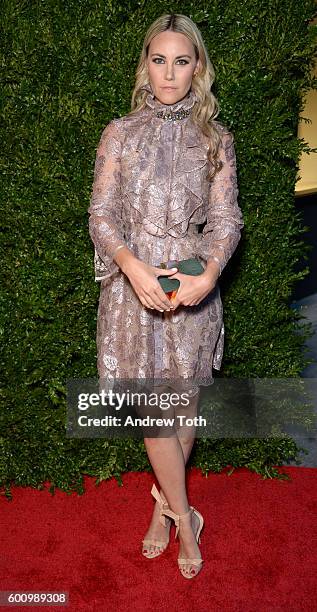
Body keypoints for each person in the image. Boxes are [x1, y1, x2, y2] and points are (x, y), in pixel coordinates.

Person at [88, 13, 244, 579]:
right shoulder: (119, 134)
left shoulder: (215, 139)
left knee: (184, 408)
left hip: (193, 286)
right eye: (160, 60)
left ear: (197, 66)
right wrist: (131, 267)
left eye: (182, 61)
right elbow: (102, 215)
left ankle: (161, 506)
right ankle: (186, 516)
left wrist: (208, 275)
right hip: (134, 292)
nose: (170, 73)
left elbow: (226, 220)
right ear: (144, 65)